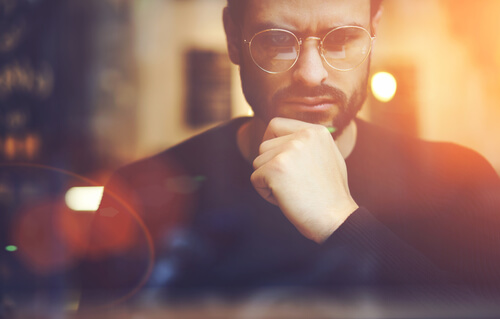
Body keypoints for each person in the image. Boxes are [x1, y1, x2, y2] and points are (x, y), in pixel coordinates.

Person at [80, 0, 500, 309]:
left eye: (343, 40)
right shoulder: (136, 194)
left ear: (374, 31)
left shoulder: (461, 180)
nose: (311, 74)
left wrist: (341, 221)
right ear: (232, 36)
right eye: (278, 40)